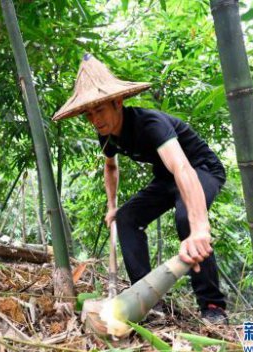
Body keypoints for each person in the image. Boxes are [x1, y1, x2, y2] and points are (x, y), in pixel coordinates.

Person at [52, 54, 228, 324]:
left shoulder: (150, 125)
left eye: (99, 110)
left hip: (201, 169)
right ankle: (147, 301)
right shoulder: (106, 134)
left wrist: (200, 227)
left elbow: (183, 168)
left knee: (186, 218)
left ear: (118, 102)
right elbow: (110, 167)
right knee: (127, 218)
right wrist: (112, 207)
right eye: (89, 114)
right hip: (166, 179)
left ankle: (213, 306)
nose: (94, 119)